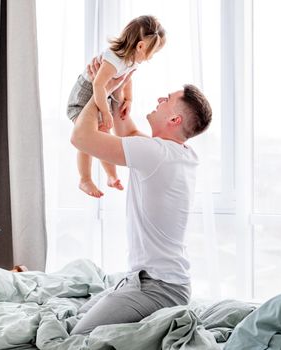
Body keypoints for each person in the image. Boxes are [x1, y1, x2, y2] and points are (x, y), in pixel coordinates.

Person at [69, 57, 212, 335]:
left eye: (167, 99)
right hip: (158, 282)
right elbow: (130, 132)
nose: (160, 98)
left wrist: (100, 89)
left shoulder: (156, 154)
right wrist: (120, 89)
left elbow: (80, 138)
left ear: (174, 119)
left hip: (158, 288)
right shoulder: (178, 154)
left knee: (77, 337)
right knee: (77, 317)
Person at [67, 15, 166, 198]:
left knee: (102, 136)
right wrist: (105, 112)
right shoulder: (114, 58)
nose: (150, 58)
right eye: (152, 53)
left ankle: (111, 176)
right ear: (141, 46)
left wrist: (128, 99)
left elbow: (127, 79)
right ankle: (85, 179)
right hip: (85, 95)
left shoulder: (132, 59)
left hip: (104, 93)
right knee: (87, 140)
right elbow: (98, 85)